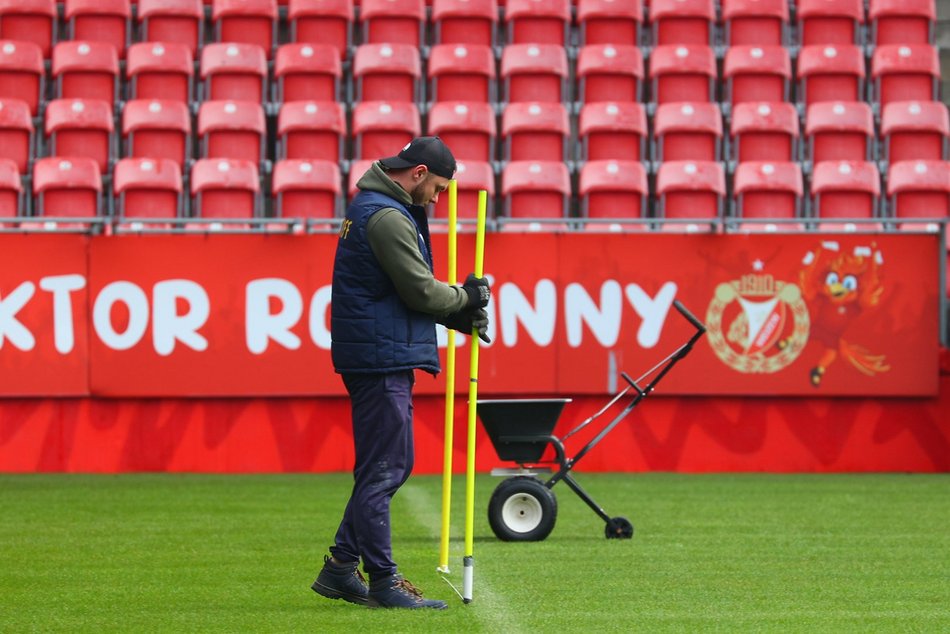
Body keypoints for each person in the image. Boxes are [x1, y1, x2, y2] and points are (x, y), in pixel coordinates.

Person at [311, 137, 491, 610]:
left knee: (389, 466)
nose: (438, 198)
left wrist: (457, 313)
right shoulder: (387, 216)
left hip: (377, 351)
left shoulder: (376, 207)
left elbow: (402, 294)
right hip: (378, 358)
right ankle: (384, 582)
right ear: (416, 174)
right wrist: (465, 299)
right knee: (385, 470)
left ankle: (340, 569)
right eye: (437, 188)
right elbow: (420, 293)